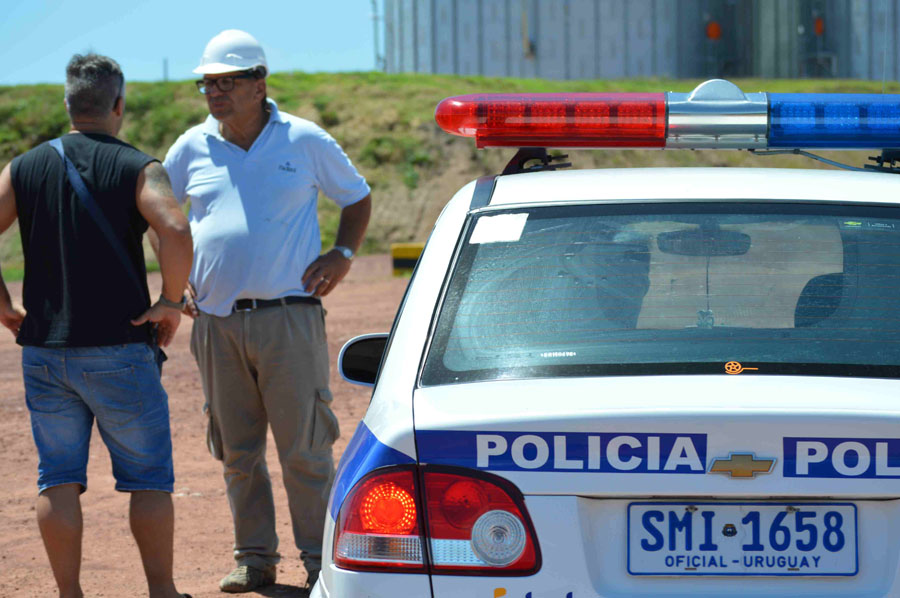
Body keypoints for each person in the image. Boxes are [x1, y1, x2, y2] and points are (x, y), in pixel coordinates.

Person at [162, 30, 371, 593]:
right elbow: (158, 216)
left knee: (305, 448)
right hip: (216, 324)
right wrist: (171, 282)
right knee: (236, 451)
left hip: (290, 318)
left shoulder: (304, 141)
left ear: (259, 83)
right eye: (208, 83)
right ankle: (254, 558)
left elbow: (356, 196)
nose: (215, 93)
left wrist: (343, 253)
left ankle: (319, 563)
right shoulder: (190, 148)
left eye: (227, 82)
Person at [0, 54, 193, 598]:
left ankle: (69, 594)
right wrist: (171, 302)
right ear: (118, 106)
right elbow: (175, 229)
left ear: (68, 106)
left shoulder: (24, 167)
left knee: (57, 477)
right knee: (149, 478)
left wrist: (6, 309)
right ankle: (161, 591)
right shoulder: (139, 166)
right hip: (120, 347)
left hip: (43, 349)